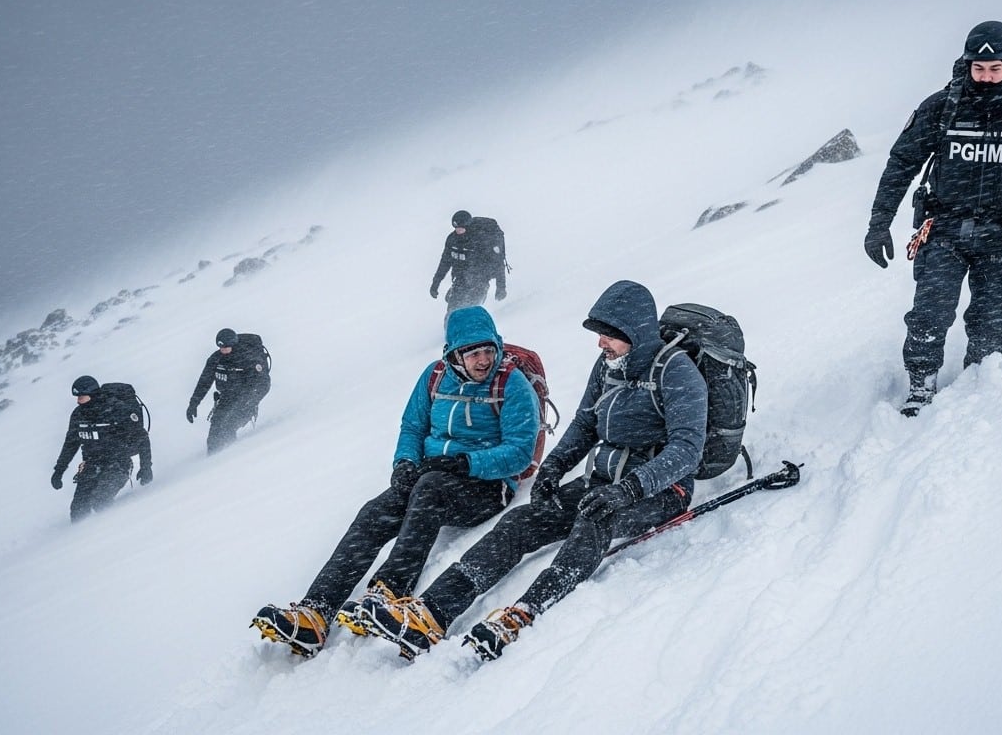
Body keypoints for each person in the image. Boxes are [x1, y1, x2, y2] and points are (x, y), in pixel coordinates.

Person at [352, 280, 707, 662]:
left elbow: (687, 450)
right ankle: (432, 613)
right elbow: (585, 424)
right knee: (519, 524)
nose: (600, 344)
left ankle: (524, 611)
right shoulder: (608, 367)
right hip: (602, 480)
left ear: (634, 333)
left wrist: (630, 490)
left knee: (594, 522)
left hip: (661, 491)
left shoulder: (677, 372)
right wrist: (554, 467)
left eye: (608, 336)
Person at [252, 305, 539, 658]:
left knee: (430, 490)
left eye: (488, 351)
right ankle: (316, 611)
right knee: (376, 510)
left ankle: (388, 590)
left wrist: (466, 463)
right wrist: (403, 463)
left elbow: (520, 452)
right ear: (453, 355)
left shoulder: (512, 383)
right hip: (432, 474)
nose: (483, 361)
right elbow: (413, 427)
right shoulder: (434, 376)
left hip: (487, 486)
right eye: (473, 353)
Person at [864, 20, 1002, 416]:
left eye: (994, 69)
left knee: (990, 326)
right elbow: (902, 162)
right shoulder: (943, 106)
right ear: (967, 64)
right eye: (978, 69)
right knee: (928, 315)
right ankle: (920, 386)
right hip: (944, 229)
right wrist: (879, 223)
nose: (985, 78)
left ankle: (977, 390)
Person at [49, 375, 153, 522]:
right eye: (77, 397)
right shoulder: (78, 415)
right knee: (78, 510)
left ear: (92, 394)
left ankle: (110, 533)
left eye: (81, 396)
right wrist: (58, 471)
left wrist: (146, 467)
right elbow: (71, 444)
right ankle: (80, 541)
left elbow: (142, 437)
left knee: (100, 500)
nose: (78, 400)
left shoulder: (116, 409)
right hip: (91, 465)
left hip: (118, 464)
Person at [185, 328, 271, 454]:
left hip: (247, 396)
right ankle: (212, 458)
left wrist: (250, 401)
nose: (223, 350)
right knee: (216, 428)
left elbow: (263, 383)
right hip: (227, 396)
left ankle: (231, 458)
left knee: (229, 425)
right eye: (221, 347)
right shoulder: (215, 359)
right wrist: (193, 404)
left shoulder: (248, 357)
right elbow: (204, 382)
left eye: (226, 347)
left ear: (233, 344)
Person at [429, 210, 508, 317]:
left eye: (461, 228)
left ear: (468, 226)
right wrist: (435, 284)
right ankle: (449, 331)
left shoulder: (481, 241)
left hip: (480, 282)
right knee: (452, 312)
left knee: (470, 310)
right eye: (456, 228)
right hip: (460, 280)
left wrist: (501, 288)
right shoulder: (452, 240)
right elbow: (444, 263)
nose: (458, 231)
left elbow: (498, 264)